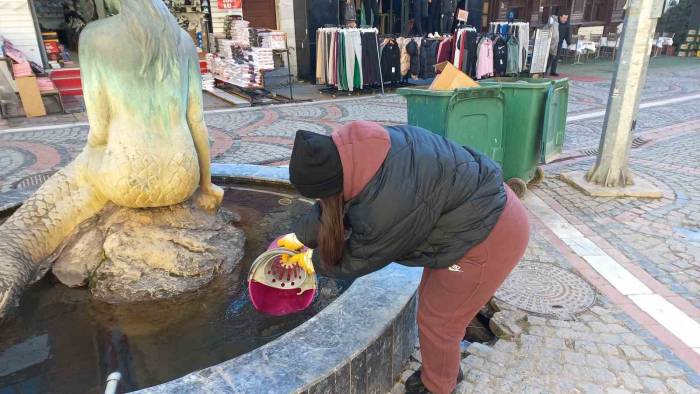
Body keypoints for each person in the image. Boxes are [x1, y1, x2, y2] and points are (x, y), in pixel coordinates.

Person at [286, 121, 530, 394]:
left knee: (440, 322)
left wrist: (308, 263)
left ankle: (438, 386)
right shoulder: (357, 149)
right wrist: (298, 238)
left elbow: (357, 259)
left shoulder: (382, 207)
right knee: (433, 306)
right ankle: (442, 370)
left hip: (487, 239)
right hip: (473, 215)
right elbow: (331, 206)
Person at [551, 12, 572, 77]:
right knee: (550, 56)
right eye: (564, 18)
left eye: (566, 18)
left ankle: (553, 71)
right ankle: (545, 70)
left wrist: (569, 43)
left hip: (559, 42)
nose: (565, 19)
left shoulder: (567, 25)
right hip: (552, 41)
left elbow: (567, 35)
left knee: (556, 57)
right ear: (560, 17)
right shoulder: (555, 22)